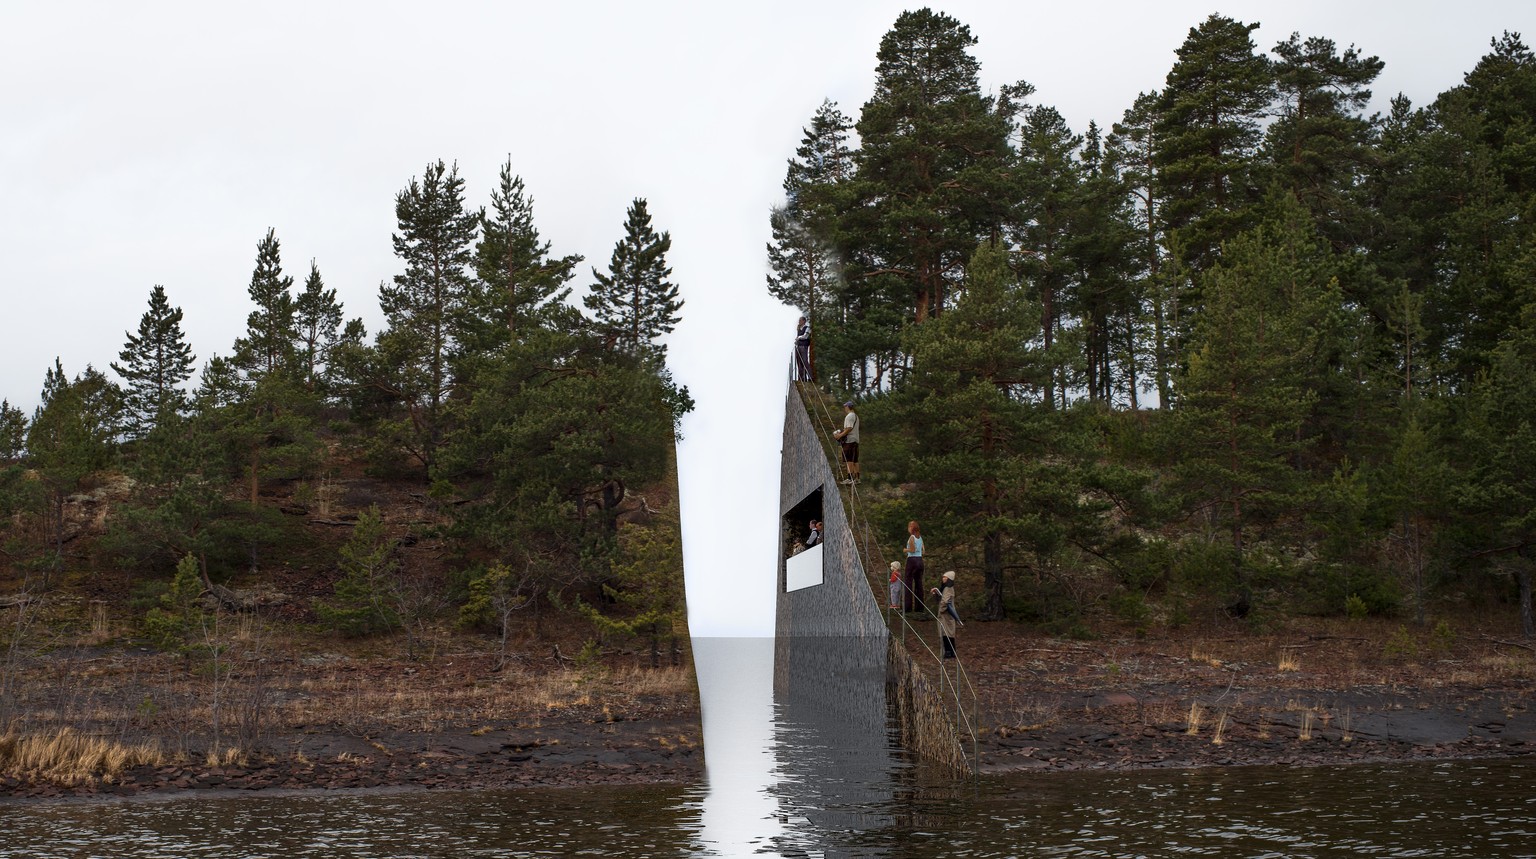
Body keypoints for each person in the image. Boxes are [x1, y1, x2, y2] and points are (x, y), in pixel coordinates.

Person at [931, 571, 961, 658]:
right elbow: (941, 599)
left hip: (947, 615)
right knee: (946, 633)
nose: (943, 579)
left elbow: (945, 602)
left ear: (949, 579)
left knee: (947, 633)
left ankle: (949, 652)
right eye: (943, 577)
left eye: (945, 578)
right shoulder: (944, 588)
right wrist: (936, 593)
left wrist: (941, 610)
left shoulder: (948, 588)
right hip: (945, 615)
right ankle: (950, 652)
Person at [833, 401, 860, 484]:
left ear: (848, 407)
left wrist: (840, 435)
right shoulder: (855, 416)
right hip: (855, 440)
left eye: (845, 407)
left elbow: (849, 428)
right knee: (855, 460)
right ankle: (857, 479)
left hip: (849, 441)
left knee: (849, 460)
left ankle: (850, 478)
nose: (844, 408)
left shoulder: (849, 416)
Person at [903, 520, 925, 613]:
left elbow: (912, 549)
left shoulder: (912, 537)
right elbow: (923, 551)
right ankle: (919, 608)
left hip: (912, 560)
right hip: (920, 560)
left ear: (912, 528)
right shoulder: (920, 537)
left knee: (908, 583)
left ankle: (907, 608)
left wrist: (905, 550)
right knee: (919, 584)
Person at [793, 316, 812, 381]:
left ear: (804, 321)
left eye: (800, 320)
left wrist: (798, 338)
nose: (799, 322)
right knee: (799, 363)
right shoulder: (799, 329)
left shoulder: (807, 328)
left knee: (805, 362)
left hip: (804, 347)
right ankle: (801, 378)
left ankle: (810, 377)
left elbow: (805, 336)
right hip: (798, 347)